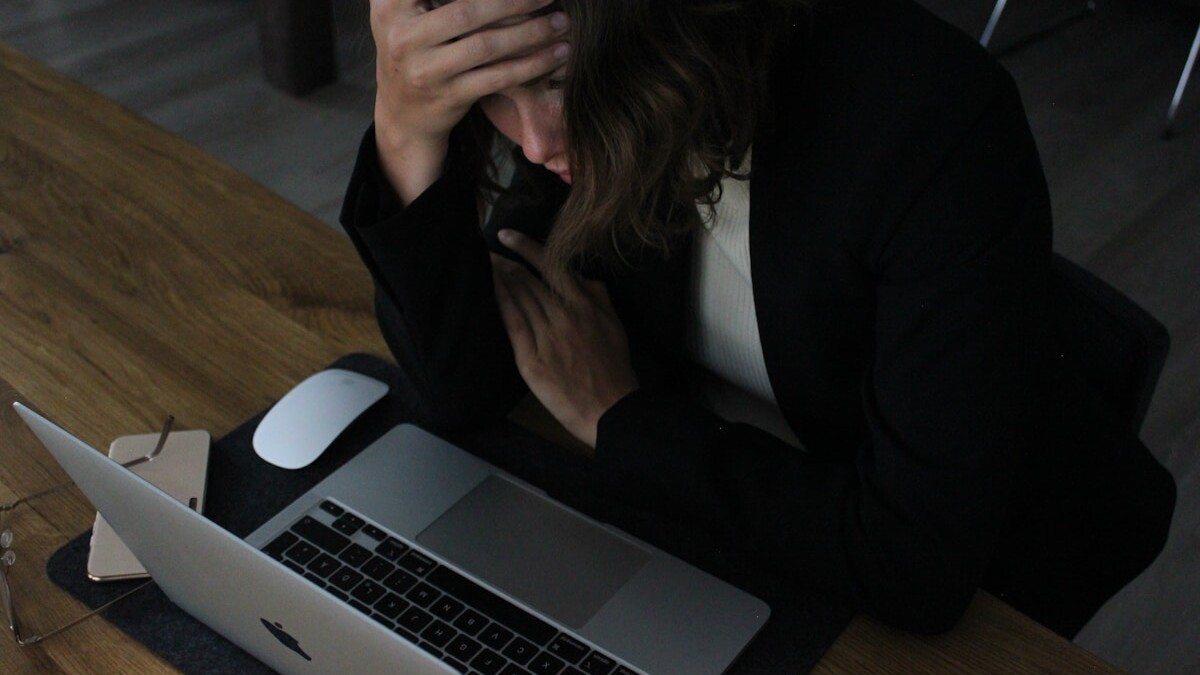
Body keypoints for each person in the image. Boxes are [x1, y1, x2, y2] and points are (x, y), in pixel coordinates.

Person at [342, 0, 1175, 638]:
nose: (531, 145)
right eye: (493, 95)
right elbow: (464, 385)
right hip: (735, 523)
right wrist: (405, 127)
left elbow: (915, 567)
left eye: (555, 87)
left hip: (970, 581)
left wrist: (617, 416)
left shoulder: (931, 124)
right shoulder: (575, 100)